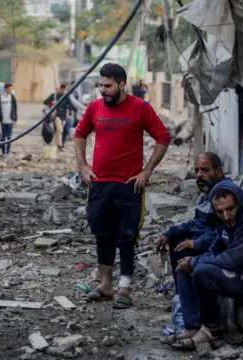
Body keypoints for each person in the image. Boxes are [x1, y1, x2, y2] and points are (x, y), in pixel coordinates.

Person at [74, 63, 171, 309]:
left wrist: (146, 172)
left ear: (121, 85)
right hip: (99, 184)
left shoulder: (140, 108)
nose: (102, 91)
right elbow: (80, 134)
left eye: (108, 86)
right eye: (101, 85)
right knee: (102, 234)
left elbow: (163, 137)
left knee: (127, 237)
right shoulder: (95, 108)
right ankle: (106, 286)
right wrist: (83, 166)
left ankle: (125, 288)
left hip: (129, 186)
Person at [168, 181, 243, 350]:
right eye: (220, 211)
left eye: (230, 209)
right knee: (183, 268)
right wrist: (190, 262)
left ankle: (212, 329)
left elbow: (232, 259)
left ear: (239, 202)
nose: (227, 216)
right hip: (240, 273)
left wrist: (195, 262)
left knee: (202, 271)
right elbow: (216, 248)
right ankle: (193, 326)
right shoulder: (223, 221)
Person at [155, 152, 229, 287]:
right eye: (197, 170)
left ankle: (192, 299)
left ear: (218, 171)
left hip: (220, 250)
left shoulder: (224, 196)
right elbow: (197, 223)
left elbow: (223, 234)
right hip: (207, 240)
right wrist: (170, 232)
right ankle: (182, 296)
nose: (199, 175)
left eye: (205, 170)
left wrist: (195, 243)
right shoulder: (208, 193)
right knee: (176, 239)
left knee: (184, 248)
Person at [44, 84, 75, 150]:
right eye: (62, 90)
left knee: (60, 131)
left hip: (64, 117)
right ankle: (60, 145)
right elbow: (45, 102)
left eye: (64, 90)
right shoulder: (54, 96)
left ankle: (56, 144)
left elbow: (70, 105)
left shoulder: (66, 96)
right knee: (59, 130)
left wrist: (69, 114)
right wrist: (51, 102)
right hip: (56, 116)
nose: (63, 91)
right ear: (60, 89)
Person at [0, 83, 18, 155]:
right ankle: (3, 151)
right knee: (3, 137)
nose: (10, 90)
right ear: (6, 89)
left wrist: (15, 118)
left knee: (9, 137)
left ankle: (8, 151)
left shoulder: (12, 97)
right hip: (3, 120)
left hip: (10, 120)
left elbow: (15, 108)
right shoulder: (0, 97)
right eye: (9, 89)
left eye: (11, 89)